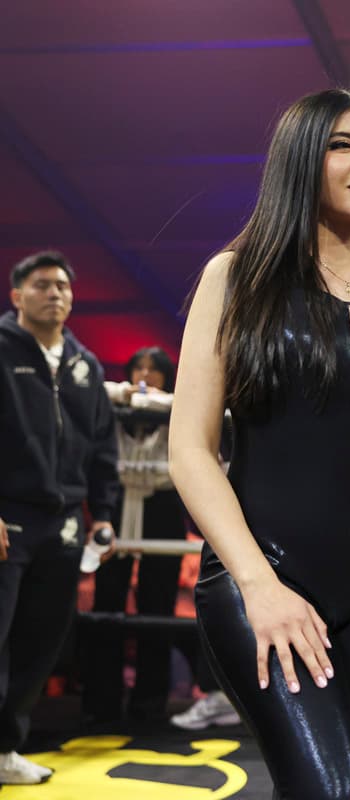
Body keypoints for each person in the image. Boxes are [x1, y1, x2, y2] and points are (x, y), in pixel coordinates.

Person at [169, 89, 350, 799]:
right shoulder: (236, 280)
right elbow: (190, 450)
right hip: (266, 581)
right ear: (300, 161)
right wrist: (261, 587)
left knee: (326, 787)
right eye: (343, 145)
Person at [0, 250, 120, 784]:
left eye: (64, 287)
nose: (56, 294)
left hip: (65, 522)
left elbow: (102, 447)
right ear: (17, 294)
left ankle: (5, 751)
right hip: (8, 518)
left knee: (41, 638)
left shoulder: (84, 364)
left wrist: (105, 515)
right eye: (43, 284)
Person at [83, 347, 186, 723]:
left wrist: (160, 401)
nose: (146, 374)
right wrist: (131, 395)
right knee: (107, 603)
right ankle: (101, 701)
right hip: (117, 503)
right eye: (138, 367)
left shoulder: (178, 405)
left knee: (157, 604)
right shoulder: (115, 399)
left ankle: (150, 704)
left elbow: (196, 402)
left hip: (162, 504)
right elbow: (97, 388)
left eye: (154, 369)